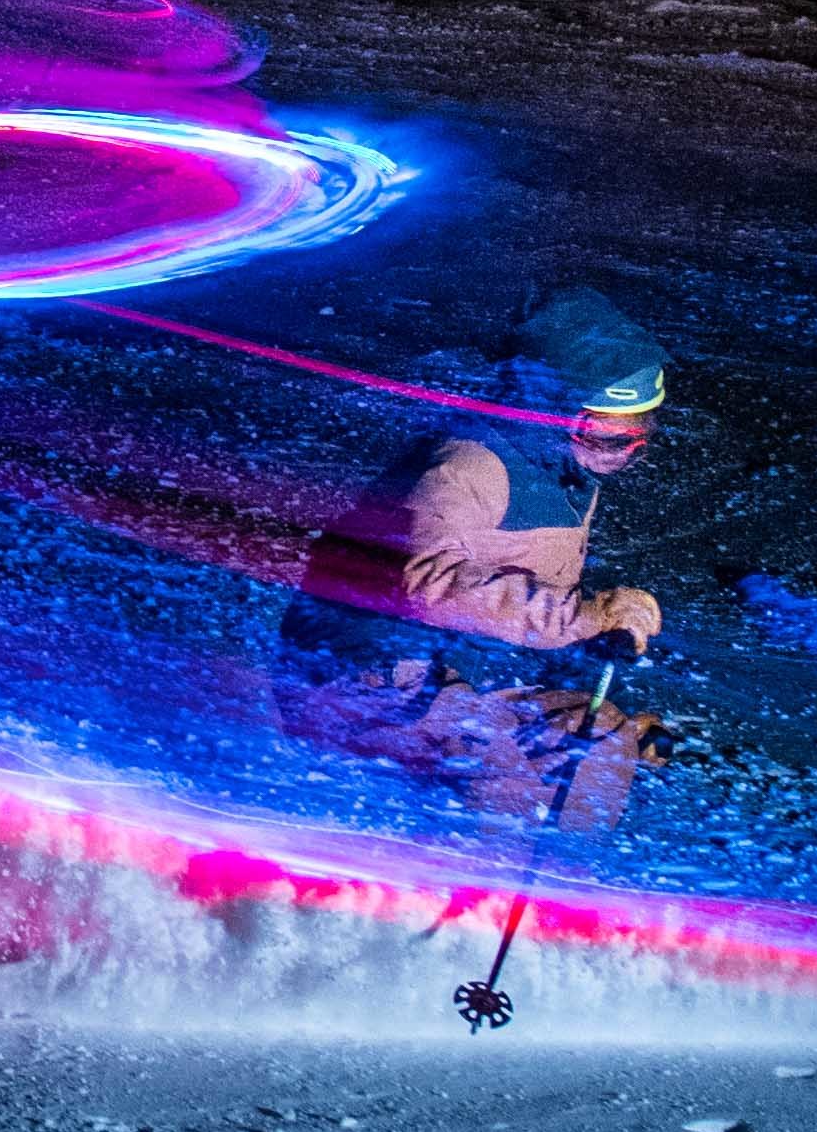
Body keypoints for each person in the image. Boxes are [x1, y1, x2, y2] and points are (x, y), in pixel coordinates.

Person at [271, 290, 671, 828]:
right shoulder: (467, 465)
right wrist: (581, 617)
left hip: (468, 679)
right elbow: (426, 585)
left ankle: (560, 888)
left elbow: (526, 614)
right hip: (367, 672)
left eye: (638, 435)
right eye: (602, 433)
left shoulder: (570, 478)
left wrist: (591, 663)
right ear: (547, 407)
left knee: (599, 741)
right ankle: (454, 878)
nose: (621, 454)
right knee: (500, 765)